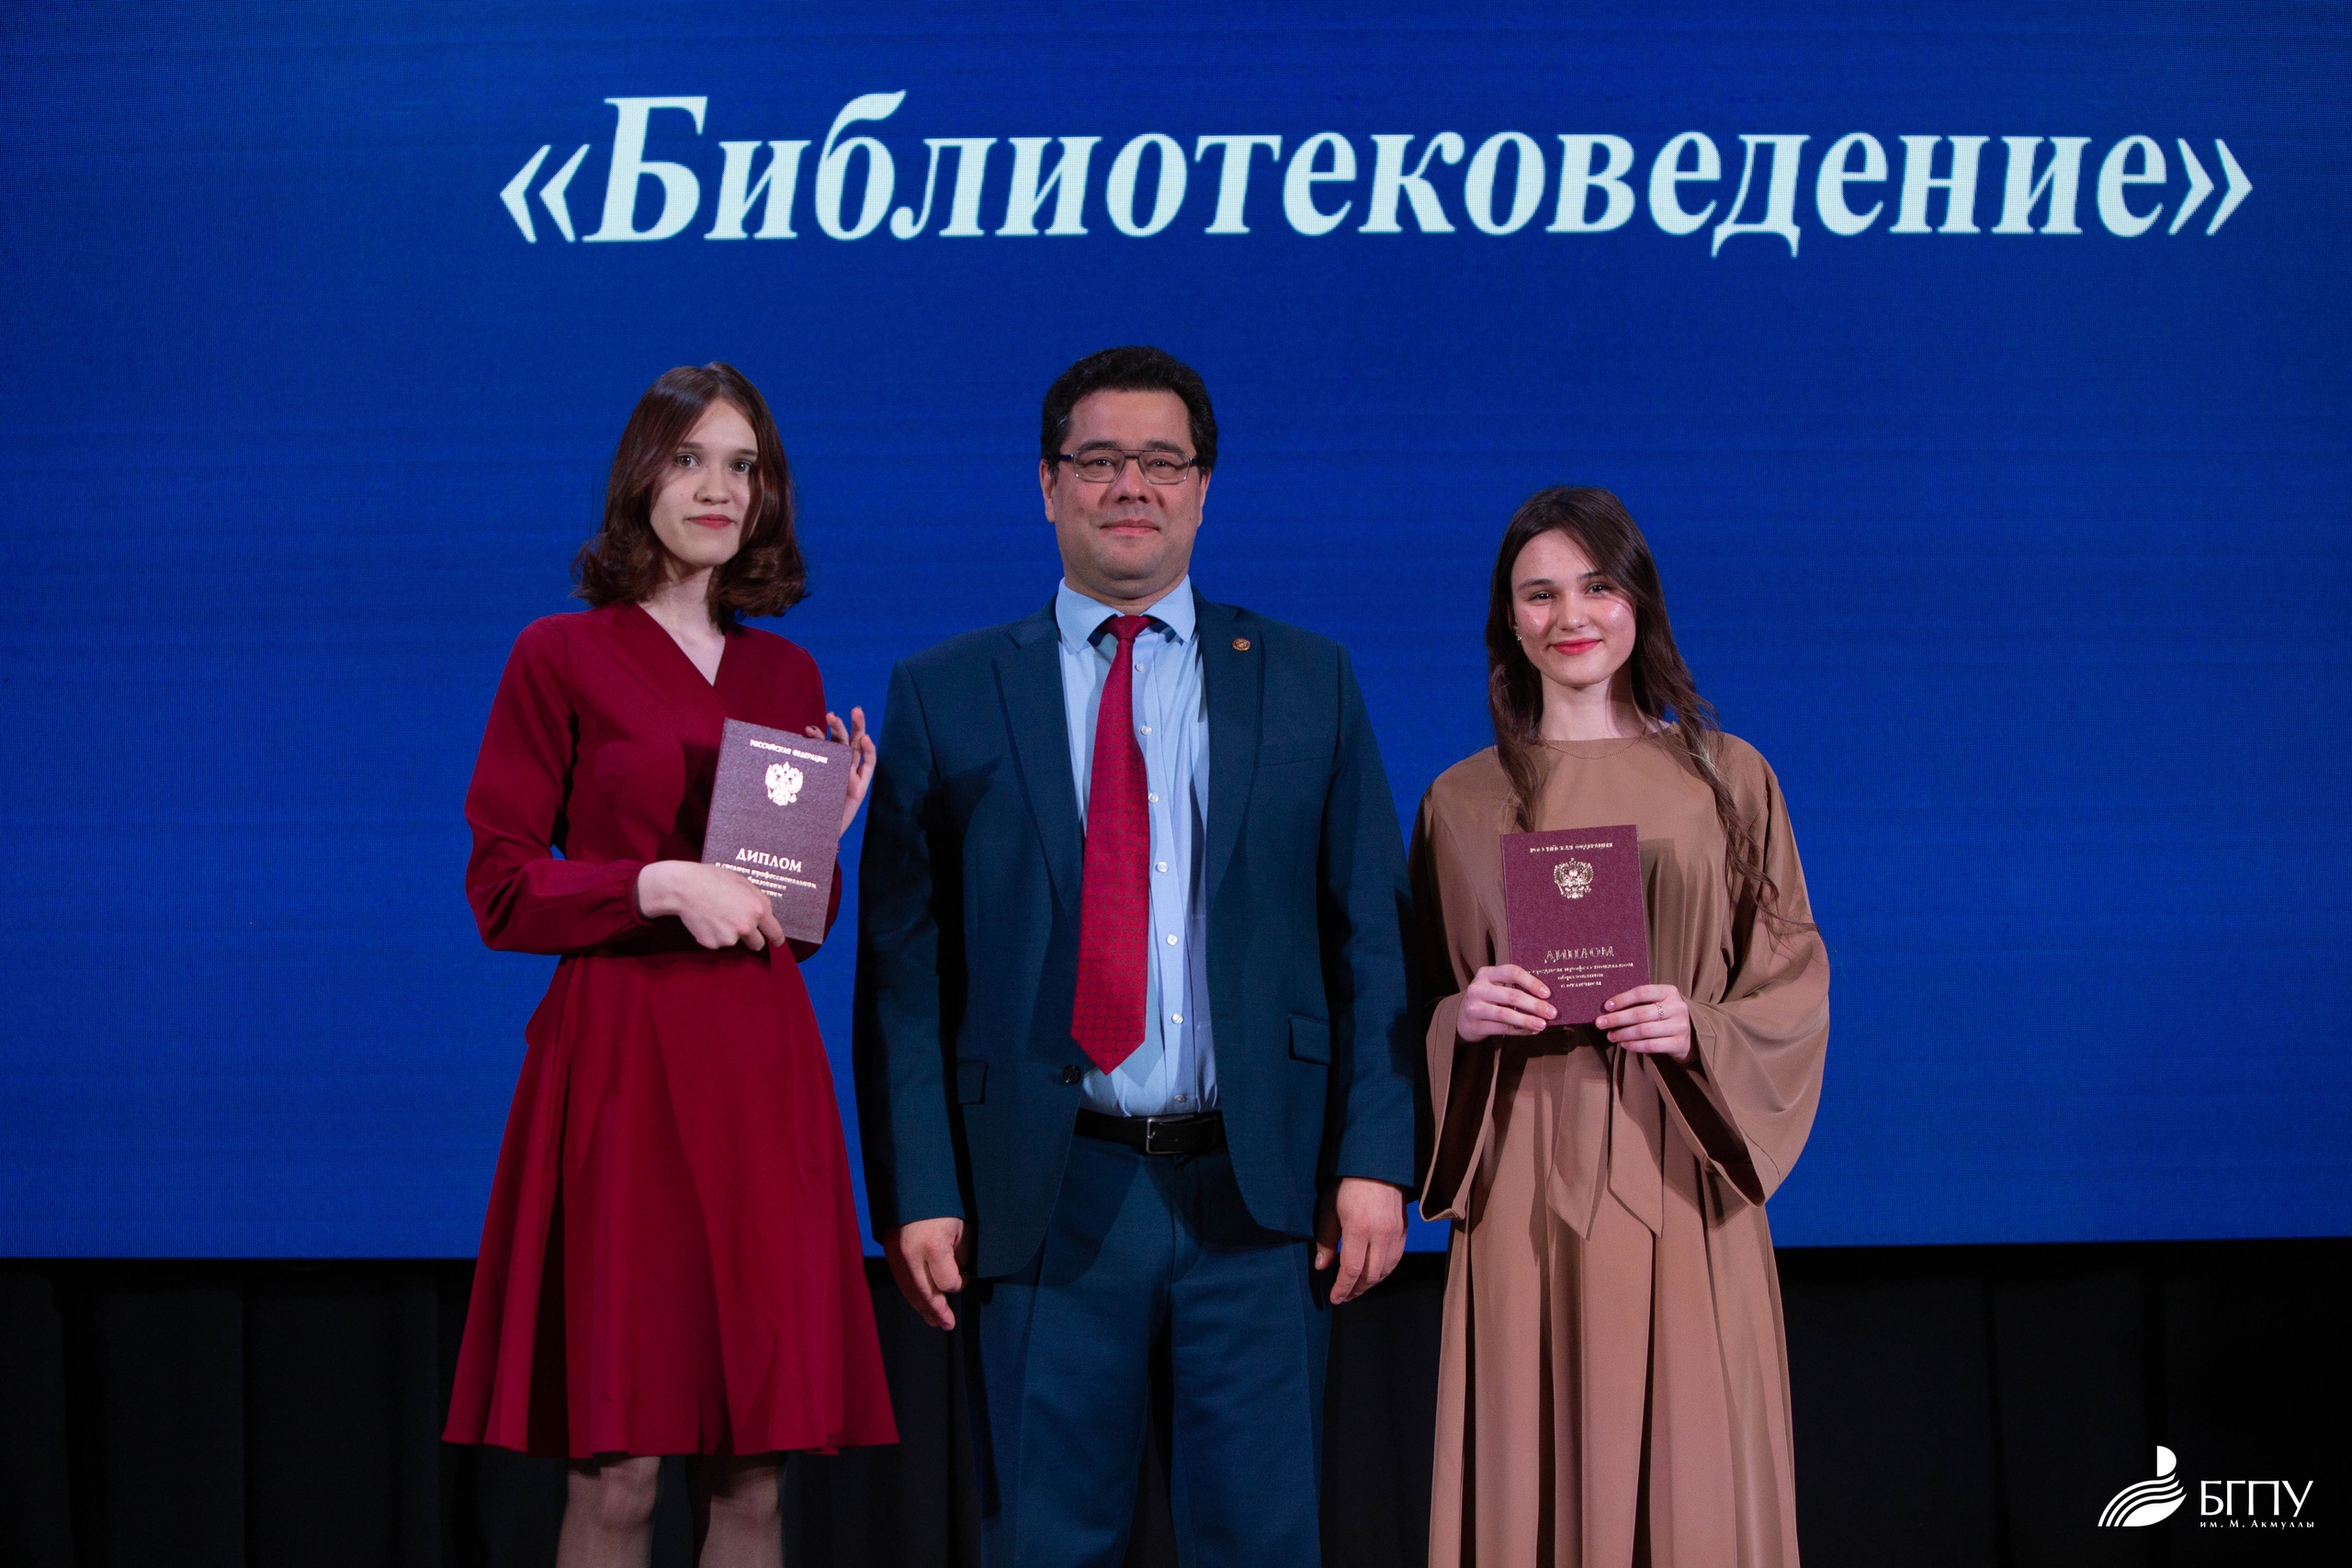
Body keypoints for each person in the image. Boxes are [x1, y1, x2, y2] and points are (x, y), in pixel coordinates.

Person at [853, 345, 1418, 1564]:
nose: (1131, 487)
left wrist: (1376, 1156)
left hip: (1261, 1192)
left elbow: (1373, 937)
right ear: (1046, 483)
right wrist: (919, 1184)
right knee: (1043, 1544)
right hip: (1045, 1192)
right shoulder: (944, 691)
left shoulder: (1309, 678)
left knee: (1263, 1544)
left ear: (1203, 488)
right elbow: (903, 971)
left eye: (1162, 462)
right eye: (1099, 460)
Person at [443, 363, 896, 1568]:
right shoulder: (559, 653)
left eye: (743, 466)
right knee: (621, 1467)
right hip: (621, 1064)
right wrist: (656, 882)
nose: (717, 488)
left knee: (755, 1468)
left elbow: (788, 926)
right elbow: (501, 887)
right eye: (691, 459)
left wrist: (822, 847)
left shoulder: (786, 674)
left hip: (757, 1068)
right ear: (642, 475)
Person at [1413, 487, 1829, 1567]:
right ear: (1508, 621)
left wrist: (1698, 1029)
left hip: (1680, 1166)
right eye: (1538, 594)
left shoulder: (1727, 777)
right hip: (1522, 1180)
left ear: (1638, 600)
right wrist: (1464, 1016)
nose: (1570, 616)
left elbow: (1789, 980)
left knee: (1695, 1477)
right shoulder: (1458, 802)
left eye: (1597, 586)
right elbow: (1410, 1003)